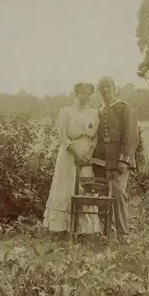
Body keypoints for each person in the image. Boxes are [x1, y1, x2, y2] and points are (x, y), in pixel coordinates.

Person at [43, 82, 100, 236]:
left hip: (86, 156)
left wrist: (88, 154)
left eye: (89, 93)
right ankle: (61, 228)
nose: (87, 96)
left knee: (84, 187)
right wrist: (76, 153)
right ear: (76, 94)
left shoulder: (94, 113)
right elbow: (63, 136)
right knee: (67, 186)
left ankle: (84, 229)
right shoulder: (66, 112)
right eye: (84, 93)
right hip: (69, 155)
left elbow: (95, 137)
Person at [93, 76, 138, 242]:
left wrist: (124, 159)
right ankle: (106, 232)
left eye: (107, 87)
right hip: (101, 161)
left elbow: (130, 135)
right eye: (101, 87)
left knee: (118, 193)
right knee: (102, 195)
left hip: (119, 160)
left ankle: (123, 234)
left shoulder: (124, 108)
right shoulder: (99, 110)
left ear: (114, 88)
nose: (105, 90)